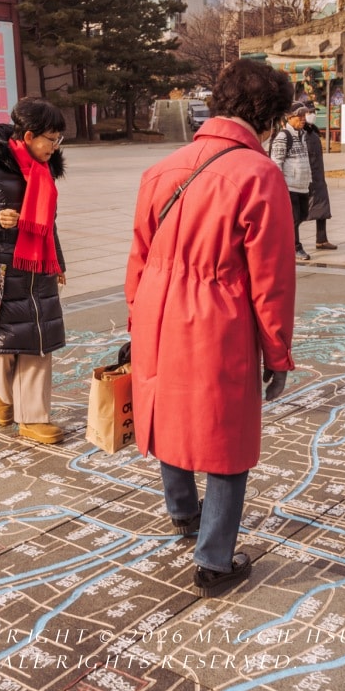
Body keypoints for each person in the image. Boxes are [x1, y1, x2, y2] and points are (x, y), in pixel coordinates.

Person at [125, 59, 296, 598]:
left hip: (156, 310)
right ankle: (215, 559)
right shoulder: (258, 174)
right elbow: (271, 282)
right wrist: (278, 354)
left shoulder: (163, 168)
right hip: (216, 316)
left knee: (167, 410)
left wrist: (137, 319)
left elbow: (138, 259)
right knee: (227, 434)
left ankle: (183, 514)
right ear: (269, 115)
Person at [0, 97, 68, 445]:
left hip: (39, 269)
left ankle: (33, 418)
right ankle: (3, 396)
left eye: (59, 139)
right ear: (30, 135)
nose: (55, 146)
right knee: (5, 346)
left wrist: (58, 263)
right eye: (51, 138)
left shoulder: (45, 169)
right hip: (3, 271)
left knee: (38, 343)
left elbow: (49, 223)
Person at [270, 102, 314, 260]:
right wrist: (280, 186)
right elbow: (276, 163)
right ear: (289, 118)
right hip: (289, 186)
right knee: (294, 218)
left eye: (304, 116)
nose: (303, 119)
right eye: (299, 116)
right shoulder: (283, 136)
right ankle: (295, 247)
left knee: (303, 215)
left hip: (302, 185)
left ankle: (281, 240)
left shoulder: (302, 135)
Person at [301, 112, 337, 251]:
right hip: (304, 178)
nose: (312, 115)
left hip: (318, 176)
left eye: (313, 112)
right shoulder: (298, 134)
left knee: (322, 208)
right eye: (308, 112)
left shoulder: (313, 131)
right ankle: (292, 241)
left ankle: (321, 239)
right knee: (298, 213)